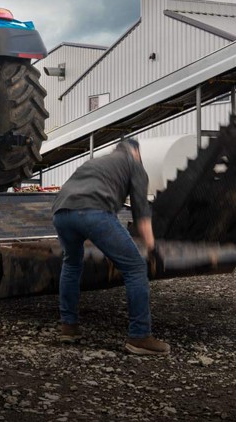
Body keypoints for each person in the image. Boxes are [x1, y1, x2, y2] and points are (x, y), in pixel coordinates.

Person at [51, 137, 169, 355]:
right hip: (94, 212)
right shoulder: (135, 165)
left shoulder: (94, 162)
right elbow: (141, 212)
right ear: (136, 153)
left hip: (61, 212)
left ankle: (69, 327)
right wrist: (152, 247)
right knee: (134, 268)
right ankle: (139, 336)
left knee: (72, 263)